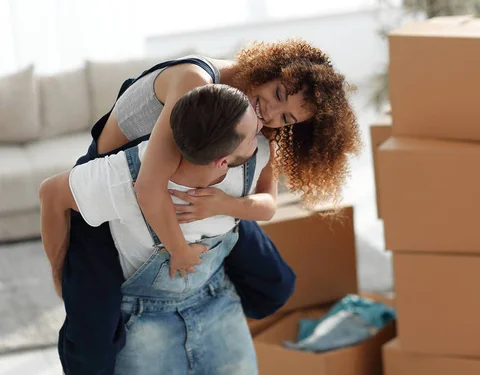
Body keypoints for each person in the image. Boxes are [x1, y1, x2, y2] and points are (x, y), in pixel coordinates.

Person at [41, 39, 360, 374]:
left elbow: (264, 199)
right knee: (92, 346)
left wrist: (223, 206)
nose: (269, 113)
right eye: (278, 94)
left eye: (287, 117)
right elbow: (148, 186)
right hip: (118, 193)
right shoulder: (197, 83)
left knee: (275, 283)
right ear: (269, 68)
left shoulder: (255, 129)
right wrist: (178, 250)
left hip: (200, 181)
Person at [40, 84, 269, 374]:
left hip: (218, 299)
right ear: (222, 160)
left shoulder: (257, 154)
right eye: (253, 130)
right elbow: (51, 193)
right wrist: (58, 270)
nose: (263, 126)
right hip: (143, 322)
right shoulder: (124, 176)